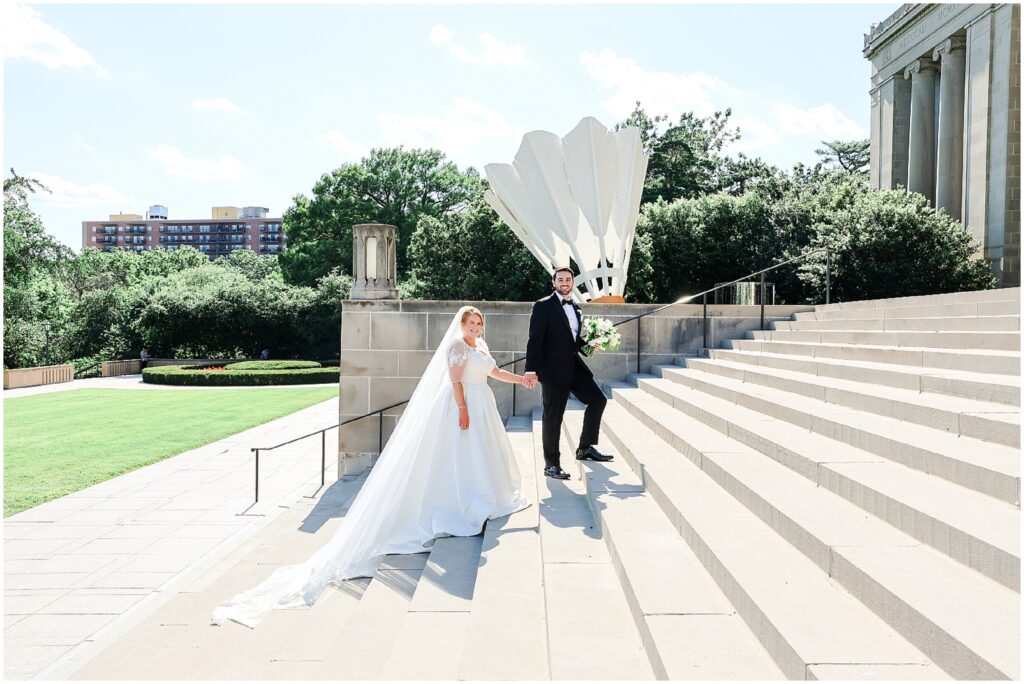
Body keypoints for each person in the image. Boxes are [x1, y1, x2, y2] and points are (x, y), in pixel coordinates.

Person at [212, 306, 532, 628]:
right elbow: (457, 382)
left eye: (479, 323)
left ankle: (481, 495)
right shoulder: (457, 347)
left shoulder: (481, 347)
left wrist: (522, 379)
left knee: (480, 456)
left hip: (483, 404)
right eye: (471, 322)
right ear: (461, 325)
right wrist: (463, 410)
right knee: (460, 457)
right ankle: (458, 501)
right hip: (462, 406)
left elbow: (494, 373)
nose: (476, 327)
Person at [523, 267, 613, 480]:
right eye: (560, 279)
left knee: (598, 400)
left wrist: (591, 343)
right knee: (553, 417)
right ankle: (551, 465)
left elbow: (571, 339)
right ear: (553, 282)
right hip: (552, 371)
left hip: (574, 367)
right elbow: (535, 339)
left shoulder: (575, 307)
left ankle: (585, 448)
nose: (564, 282)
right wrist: (531, 370)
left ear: (573, 283)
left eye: (568, 279)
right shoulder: (543, 306)